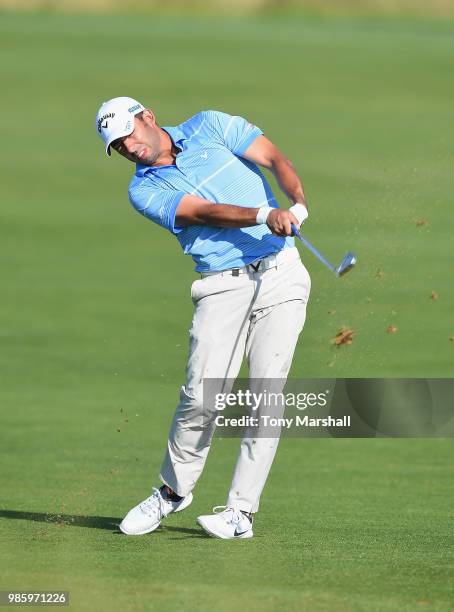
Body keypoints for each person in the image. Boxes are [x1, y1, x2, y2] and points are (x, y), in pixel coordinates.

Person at [95, 96, 311, 539]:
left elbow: (273, 157)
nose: (129, 147)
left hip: (282, 275)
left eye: (130, 134)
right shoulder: (144, 191)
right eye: (118, 146)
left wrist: (298, 203)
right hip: (222, 286)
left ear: (147, 117)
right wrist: (264, 214)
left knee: (267, 394)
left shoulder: (210, 126)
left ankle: (240, 513)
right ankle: (173, 492)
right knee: (200, 397)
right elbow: (204, 212)